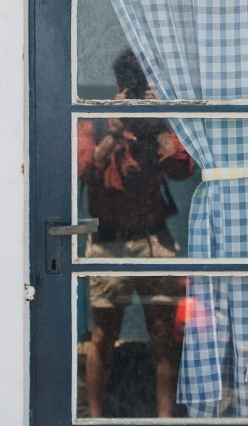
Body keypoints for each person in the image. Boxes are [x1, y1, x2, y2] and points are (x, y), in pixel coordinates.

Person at [78, 49, 195, 418]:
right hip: (109, 239)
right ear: (119, 86)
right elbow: (86, 170)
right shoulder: (96, 120)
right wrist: (114, 131)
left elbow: (182, 168)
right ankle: (95, 418)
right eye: (133, 85)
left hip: (152, 237)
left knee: (162, 335)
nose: (136, 91)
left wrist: (157, 123)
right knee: (101, 336)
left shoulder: (153, 121)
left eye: (143, 86)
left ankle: (165, 418)